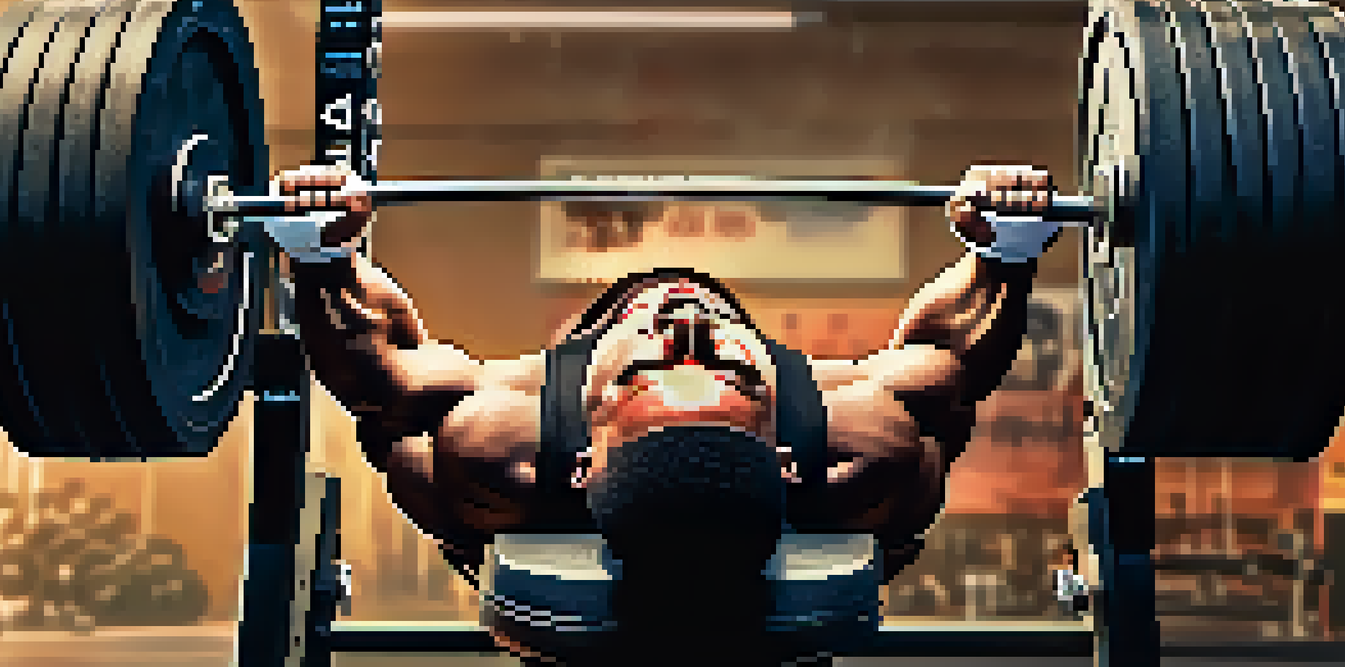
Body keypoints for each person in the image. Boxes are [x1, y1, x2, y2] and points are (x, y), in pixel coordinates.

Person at [264, 164, 1065, 666]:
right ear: (786, 457)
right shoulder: (862, 454)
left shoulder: (498, 451)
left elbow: (377, 371)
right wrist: (1005, 249)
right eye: (724, 370)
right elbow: (955, 361)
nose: (686, 331)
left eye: (648, 369)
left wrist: (320, 250)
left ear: (584, 460)